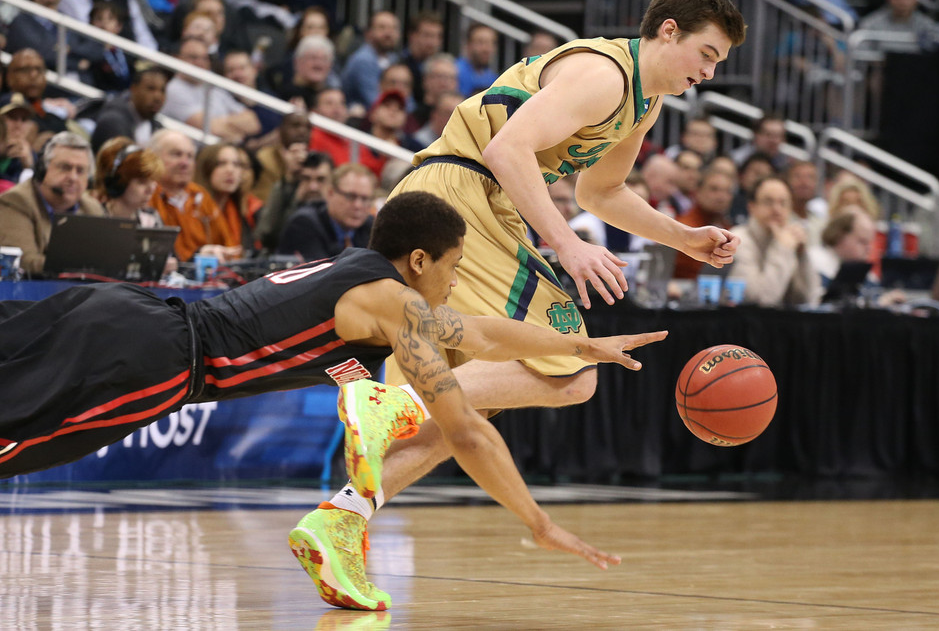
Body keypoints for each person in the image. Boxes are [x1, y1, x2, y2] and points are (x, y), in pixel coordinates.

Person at [0, 193, 665, 611]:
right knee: (16, 443)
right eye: (455, 265)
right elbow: (465, 429)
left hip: (125, 315)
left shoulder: (368, 280)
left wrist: (583, 346)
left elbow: (485, 333)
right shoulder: (395, 302)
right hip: (153, 359)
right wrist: (537, 519)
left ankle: (378, 416)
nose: (457, 280)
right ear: (418, 260)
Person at [343, 0, 743, 603]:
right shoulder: (604, 73)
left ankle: (340, 521)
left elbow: (599, 192)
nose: (710, 73)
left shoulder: (642, 100)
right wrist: (568, 243)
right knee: (572, 372)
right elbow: (509, 150)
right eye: (708, 54)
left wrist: (683, 237)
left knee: (467, 408)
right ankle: (393, 403)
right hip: (461, 197)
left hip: (451, 202)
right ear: (669, 31)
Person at [0, 131, 105, 277]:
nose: (73, 177)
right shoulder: (16, 201)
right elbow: (25, 263)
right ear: (43, 169)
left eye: (80, 170)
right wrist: (83, 265)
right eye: (65, 167)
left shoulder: (92, 208)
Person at [147, 128, 239, 262]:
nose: (185, 163)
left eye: (190, 156)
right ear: (153, 158)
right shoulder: (146, 195)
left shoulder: (200, 195)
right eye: (176, 154)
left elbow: (228, 247)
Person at [728, 175, 820, 307]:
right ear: (752, 207)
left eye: (783, 203)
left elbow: (808, 300)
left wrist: (802, 254)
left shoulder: (791, 238)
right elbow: (761, 301)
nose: (777, 209)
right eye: (768, 202)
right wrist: (782, 249)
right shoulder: (738, 239)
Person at [161, 38, 261, 143]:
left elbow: (253, 123)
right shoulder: (174, 89)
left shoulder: (211, 83)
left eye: (205, 58)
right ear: (178, 58)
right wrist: (235, 128)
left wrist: (220, 122)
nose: (200, 62)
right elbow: (212, 129)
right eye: (193, 57)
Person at [277, 162, 376, 260]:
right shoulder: (304, 223)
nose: (358, 205)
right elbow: (325, 273)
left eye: (365, 199)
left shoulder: (371, 227)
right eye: (350, 196)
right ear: (330, 193)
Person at [255, 150, 332, 252]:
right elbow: (266, 236)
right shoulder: (287, 199)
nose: (313, 187)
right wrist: (288, 183)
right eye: (306, 178)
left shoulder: (340, 210)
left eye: (321, 179)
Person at [194, 142, 263, 255]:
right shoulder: (193, 208)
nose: (230, 170)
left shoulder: (239, 209)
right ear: (206, 168)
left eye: (236, 164)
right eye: (221, 164)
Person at [89, 63, 169, 152]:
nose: (158, 97)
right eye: (150, 89)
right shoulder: (112, 121)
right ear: (133, 89)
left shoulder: (157, 128)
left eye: (162, 90)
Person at [674, 166, 735, 279]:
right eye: (714, 189)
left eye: (727, 191)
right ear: (697, 191)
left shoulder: (729, 226)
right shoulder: (685, 226)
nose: (721, 196)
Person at [340, 10, 402, 114]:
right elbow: (375, 102)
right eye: (382, 27)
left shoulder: (394, 58)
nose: (388, 33)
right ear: (368, 33)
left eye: (393, 28)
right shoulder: (363, 59)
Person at [93, 136, 163, 227]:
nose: (151, 189)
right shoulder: (94, 215)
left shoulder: (151, 218)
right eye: (141, 182)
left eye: (153, 180)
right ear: (117, 183)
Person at [858, 0, 935, 41]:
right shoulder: (870, 23)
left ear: (915, 0)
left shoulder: (927, 25)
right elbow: (863, 54)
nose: (903, 2)